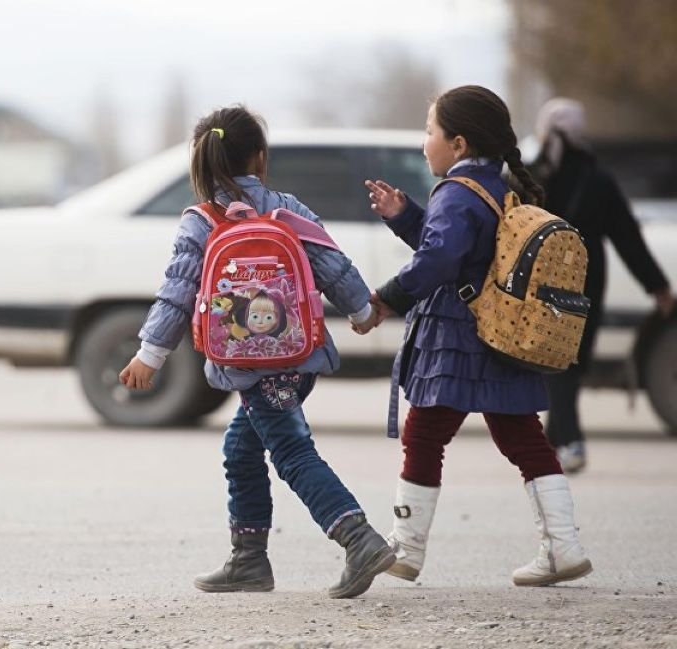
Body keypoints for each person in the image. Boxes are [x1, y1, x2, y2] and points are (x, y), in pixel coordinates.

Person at [118, 106, 392, 599]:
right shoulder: (287, 209)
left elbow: (177, 293)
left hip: (246, 363)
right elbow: (333, 265)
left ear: (201, 162)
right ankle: (249, 560)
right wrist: (361, 311)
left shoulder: (201, 221)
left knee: (289, 450)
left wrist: (150, 354)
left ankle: (358, 539)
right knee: (241, 448)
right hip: (298, 356)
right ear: (260, 159)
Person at [366, 85, 592, 587]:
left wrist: (387, 297)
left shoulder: (454, 191)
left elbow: (442, 257)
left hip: (460, 336)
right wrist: (405, 217)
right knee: (523, 438)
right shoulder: (494, 185)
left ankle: (406, 549)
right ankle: (564, 547)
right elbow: (462, 247)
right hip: (500, 332)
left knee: (423, 434)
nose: (425, 143)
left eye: (430, 132)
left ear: (459, 144)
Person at [529, 98, 675, 473]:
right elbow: (628, 238)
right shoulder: (598, 178)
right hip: (588, 282)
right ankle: (555, 443)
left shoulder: (535, 176)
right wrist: (657, 287)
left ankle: (569, 441)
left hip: (543, 282)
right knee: (570, 364)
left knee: (555, 363)